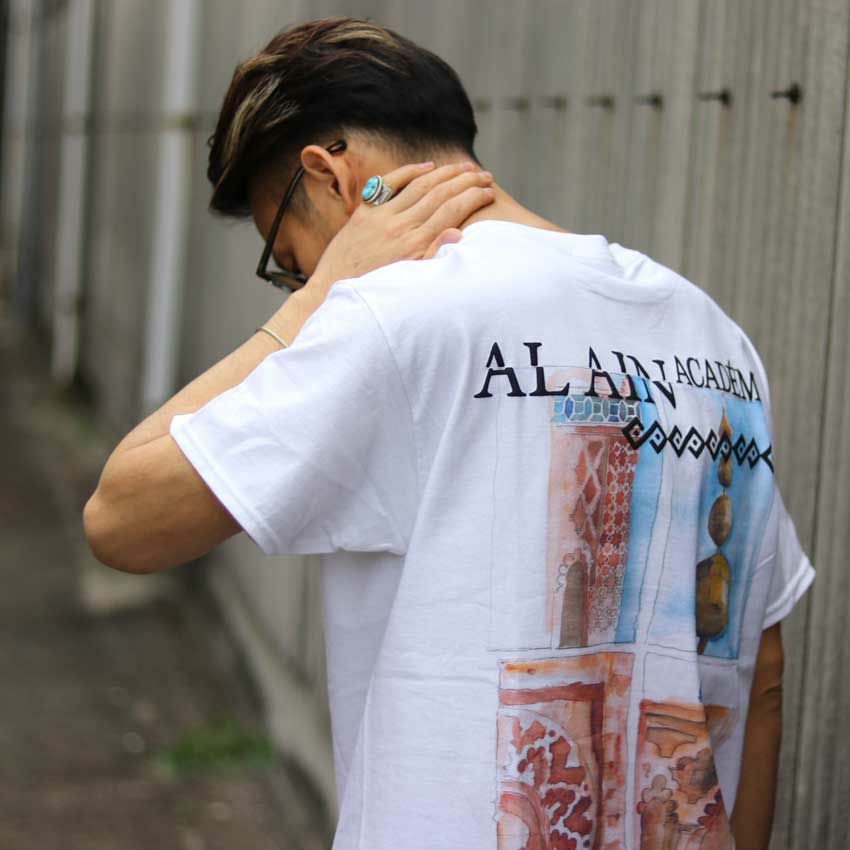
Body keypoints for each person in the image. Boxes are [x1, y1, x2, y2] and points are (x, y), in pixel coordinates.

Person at [83, 17, 815, 850]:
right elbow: (762, 674)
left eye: (289, 257)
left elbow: (122, 517)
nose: (300, 278)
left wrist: (317, 298)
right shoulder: (711, 335)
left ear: (329, 175)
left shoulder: (393, 314)